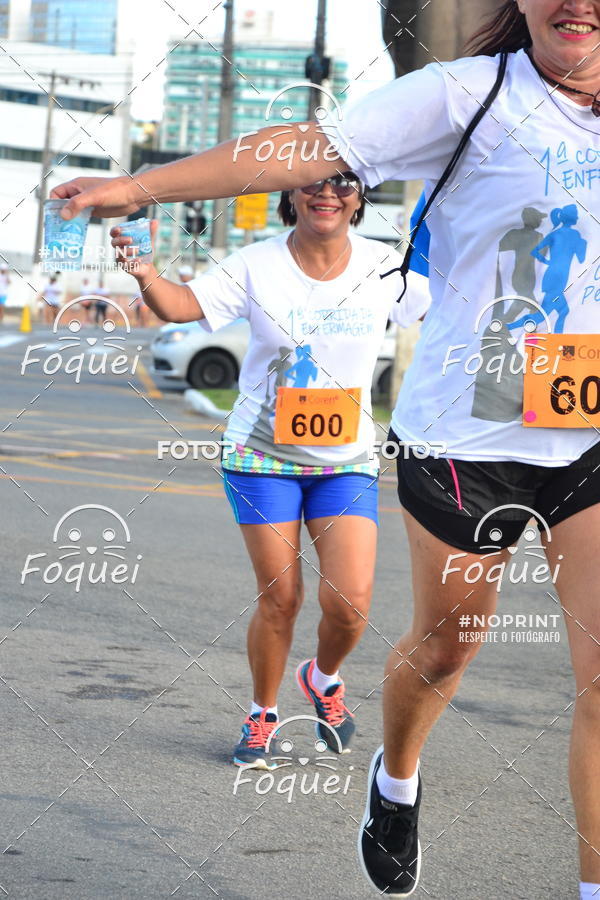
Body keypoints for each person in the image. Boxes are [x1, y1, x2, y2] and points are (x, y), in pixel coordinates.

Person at [50, 2, 600, 893]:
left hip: (586, 436)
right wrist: (146, 190)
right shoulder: (463, 96)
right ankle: (395, 779)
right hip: (463, 435)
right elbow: (296, 147)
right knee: (448, 645)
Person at [108, 172, 425, 772]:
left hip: (347, 460)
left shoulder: (386, 266)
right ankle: (262, 715)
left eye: (344, 183)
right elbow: (181, 306)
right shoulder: (255, 264)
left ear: (359, 198)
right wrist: (144, 270)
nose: (327, 193)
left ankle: (323, 677)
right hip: (261, 456)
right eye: (312, 184)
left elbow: (446, 315)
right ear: (291, 194)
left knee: (350, 605)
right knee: (282, 597)